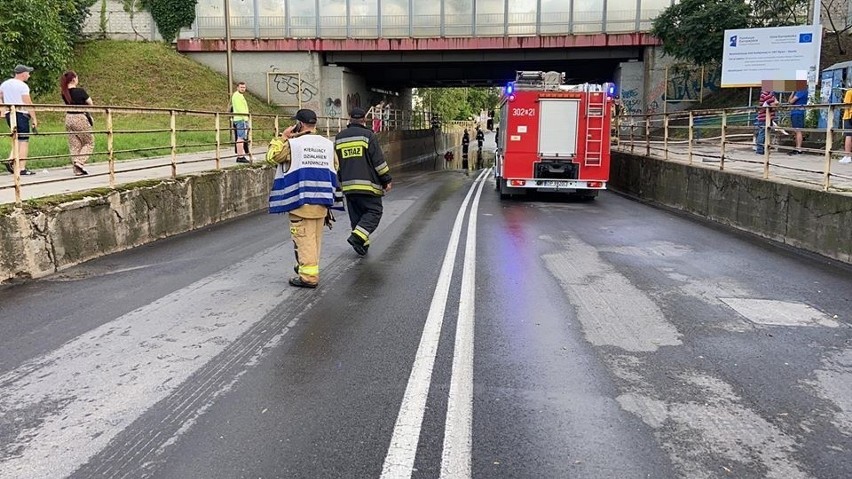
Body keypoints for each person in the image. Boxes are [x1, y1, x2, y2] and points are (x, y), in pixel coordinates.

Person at [266, 108, 339, 289]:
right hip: (322, 200)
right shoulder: (327, 144)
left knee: (304, 238)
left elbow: (271, 157)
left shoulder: (294, 145)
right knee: (314, 239)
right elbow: (335, 166)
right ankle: (305, 266)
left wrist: (282, 137)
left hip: (301, 201)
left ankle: (308, 277)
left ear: (299, 124)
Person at [335, 107, 392, 256]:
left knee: (357, 215)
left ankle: (362, 244)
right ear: (364, 120)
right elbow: (378, 162)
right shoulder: (368, 136)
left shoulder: (339, 137)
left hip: (348, 186)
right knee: (374, 212)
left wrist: (340, 180)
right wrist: (386, 180)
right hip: (368, 186)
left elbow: (337, 163)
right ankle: (357, 238)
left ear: (349, 118)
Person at [0, 65, 38, 175]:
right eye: (28, 73)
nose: (29, 75)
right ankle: (21, 167)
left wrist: (3, 109)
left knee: (15, 137)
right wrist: (34, 118)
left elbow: (1, 97)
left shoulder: (5, 84)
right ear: (23, 73)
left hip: (9, 114)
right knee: (24, 140)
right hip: (21, 113)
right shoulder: (23, 86)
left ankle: (11, 158)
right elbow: (27, 102)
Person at [60, 71, 94, 176]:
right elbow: (90, 103)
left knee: (74, 144)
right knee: (89, 142)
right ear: (74, 79)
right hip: (79, 117)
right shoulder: (80, 91)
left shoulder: (64, 93)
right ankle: (79, 162)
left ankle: (77, 169)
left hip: (68, 118)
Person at [231, 81, 250, 163]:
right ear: (237, 87)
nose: (243, 89)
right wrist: (245, 118)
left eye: (244, 87)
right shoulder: (237, 96)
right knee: (240, 138)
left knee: (241, 138)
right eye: (241, 87)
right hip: (241, 119)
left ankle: (241, 155)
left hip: (241, 118)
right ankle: (240, 156)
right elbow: (240, 108)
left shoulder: (238, 95)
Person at [754, 89, 778, 155]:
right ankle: (760, 149)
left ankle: (764, 148)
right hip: (764, 117)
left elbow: (775, 104)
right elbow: (774, 104)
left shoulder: (770, 94)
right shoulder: (766, 94)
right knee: (762, 133)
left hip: (768, 117)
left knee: (765, 134)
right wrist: (775, 103)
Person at [786, 88, 808, 155]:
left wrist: (793, 94)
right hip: (794, 112)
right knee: (796, 131)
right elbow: (789, 101)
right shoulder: (797, 92)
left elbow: (791, 101)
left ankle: (799, 148)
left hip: (798, 112)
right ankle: (797, 147)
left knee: (798, 130)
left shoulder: (802, 91)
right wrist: (792, 92)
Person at [841, 84, 852, 164]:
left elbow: (846, 105)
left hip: (849, 116)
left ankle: (847, 155)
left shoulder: (849, 92)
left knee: (848, 135)